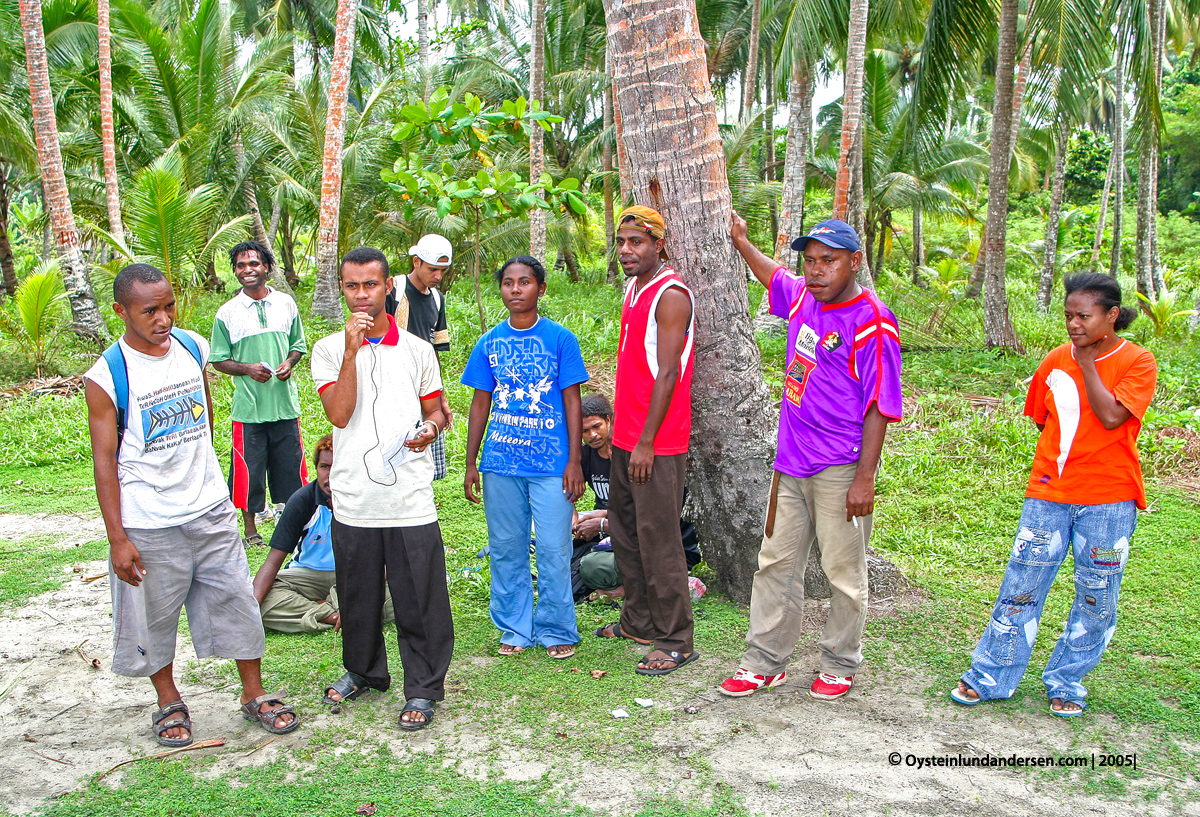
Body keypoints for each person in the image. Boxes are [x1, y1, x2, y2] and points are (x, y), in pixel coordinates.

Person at [83, 263, 299, 748]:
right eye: (149, 312)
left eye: (169, 306)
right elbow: (104, 460)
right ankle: (168, 701)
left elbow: (204, 413)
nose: (163, 319)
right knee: (152, 616)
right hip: (148, 521)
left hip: (210, 509)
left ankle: (253, 693)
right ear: (121, 312)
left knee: (237, 601)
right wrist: (119, 538)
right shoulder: (106, 375)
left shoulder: (192, 346)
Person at [952, 273, 1156, 718]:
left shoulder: (1138, 362)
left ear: (1112, 315)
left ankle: (1067, 681)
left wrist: (1086, 363)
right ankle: (991, 676)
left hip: (1110, 499)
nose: (1073, 325)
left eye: (1083, 316)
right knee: (1020, 588)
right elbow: (1043, 420)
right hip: (1049, 494)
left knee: (1096, 595)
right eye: (1068, 316)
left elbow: (1109, 417)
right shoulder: (1053, 360)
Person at [721, 213, 902, 700]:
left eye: (830, 261)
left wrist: (864, 480)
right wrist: (741, 240)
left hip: (841, 466)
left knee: (843, 572)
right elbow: (772, 276)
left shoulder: (873, 323)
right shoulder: (803, 296)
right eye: (811, 261)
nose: (817, 270)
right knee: (774, 564)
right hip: (790, 462)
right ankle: (766, 661)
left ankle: (839, 663)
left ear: (854, 263)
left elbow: (880, 406)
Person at [310, 246, 451, 730]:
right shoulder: (329, 350)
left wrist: (430, 430)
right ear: (343, 290)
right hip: (355, 498)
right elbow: (339, 415)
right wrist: (352, 351)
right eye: (352, 286)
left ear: (388, 287)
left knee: (419, 597)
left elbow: (435, 411)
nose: (362, 295)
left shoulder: (418, 351)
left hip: (409, 497)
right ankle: (364, 671)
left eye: (371, 284)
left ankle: (424, 687)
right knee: (357, 594)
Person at [463, 255, 588, 659]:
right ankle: (515, 627)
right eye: (508, 283)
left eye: (525, 282)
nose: (516, 289)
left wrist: (574, 460)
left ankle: (555, 627)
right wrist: (470, 462)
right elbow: (480, 404)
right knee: (506, 547)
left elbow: (572, 400)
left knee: (554, 548)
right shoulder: (489, 342)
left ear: (541, 289)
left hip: (551, 464)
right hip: (500, 462)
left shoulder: (560, 339)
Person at [593, 206, 698, 676]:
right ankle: (638, 619)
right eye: (621, 242)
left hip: (657, 442)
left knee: (660, 538)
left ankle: (676, 638)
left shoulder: (671, 295)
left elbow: (670, 372)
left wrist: (647, 442)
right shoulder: (636, 288)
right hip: (628, 437)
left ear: (659, 244)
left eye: (637, 242)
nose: (626, 251)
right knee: (626, 529)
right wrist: (627, 436)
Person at [210, 240, 308, 547]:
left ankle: (296, 527)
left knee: (291, 471)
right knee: (248, 472)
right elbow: (218, 359)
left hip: (284, 405)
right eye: (240, 265)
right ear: (235, 272)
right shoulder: (227, 313)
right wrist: (248, 368)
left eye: (253, 263)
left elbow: (298, 345)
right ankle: (251, 531)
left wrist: (289, 363)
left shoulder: (286, 304)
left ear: (266, 266)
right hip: (249, 410)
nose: (247, 270)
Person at [251, 434, 395, 634]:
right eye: (324, 467)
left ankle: (329, 608)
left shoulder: (368, 499)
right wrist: (250, 609)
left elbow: (390, 561)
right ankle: (333, 615)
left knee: (404, 592)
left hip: (359, 576)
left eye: (337, 466)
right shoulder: (303, 500)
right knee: (261, 596)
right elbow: (272, 562)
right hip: (308, 575)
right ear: (317, 469)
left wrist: (359, 593)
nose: (330, 474)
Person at [571, 393, 701, 602]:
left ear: (609, 420)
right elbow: (568, 494)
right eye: (585, 431)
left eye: (597, 426)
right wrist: (576, 521)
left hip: (654, 545)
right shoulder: (586, 455)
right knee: (569, 557)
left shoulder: (637, 455)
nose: (593, 435)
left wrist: (604, 523)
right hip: (615, 535)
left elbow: (650, 519)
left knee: (592, 566)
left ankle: (635, 586)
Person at [390, 234, 455, 481]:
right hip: (393, 383)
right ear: (416, 262)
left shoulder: (437, 299)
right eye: (432, 269)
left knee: (424, 451)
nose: (437, 276)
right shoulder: (393, 290)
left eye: (442, 271)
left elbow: (434, 351)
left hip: (424, 387)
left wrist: (441, 397)